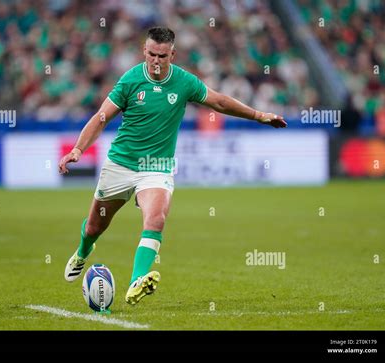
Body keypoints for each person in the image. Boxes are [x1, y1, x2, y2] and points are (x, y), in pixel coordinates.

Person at [59, 27, 287, 306]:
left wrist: (259, 115)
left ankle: (136, 281)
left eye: (162, 56)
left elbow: (219, 101)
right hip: (121, 163)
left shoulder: (184, 82)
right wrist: (78, 149)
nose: (156, 61)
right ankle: (83, 252)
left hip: (157, 166)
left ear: (172, 55)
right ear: (144, 51)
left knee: (156, 219)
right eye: (151, 54)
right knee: (95, 226)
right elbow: (101, 117)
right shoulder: (130, 80)